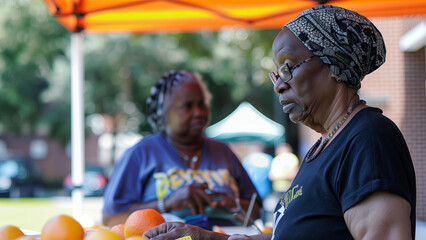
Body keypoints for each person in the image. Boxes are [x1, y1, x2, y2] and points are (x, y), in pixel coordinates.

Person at [142, 5, 416, 240]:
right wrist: (210, 237)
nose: (279, 86)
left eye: (288, 66)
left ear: (334, 65)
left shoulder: (368, 139)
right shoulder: (324, 147)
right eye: (276, 73)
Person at [102, 70, 261, 228]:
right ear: (163, 113)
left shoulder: (223, 151)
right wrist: (168, 203)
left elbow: (257, 211)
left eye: (201, 104)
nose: (198, 112)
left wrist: (231, 202)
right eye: (187, 106)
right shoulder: (141, 154)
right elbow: (111, 218)